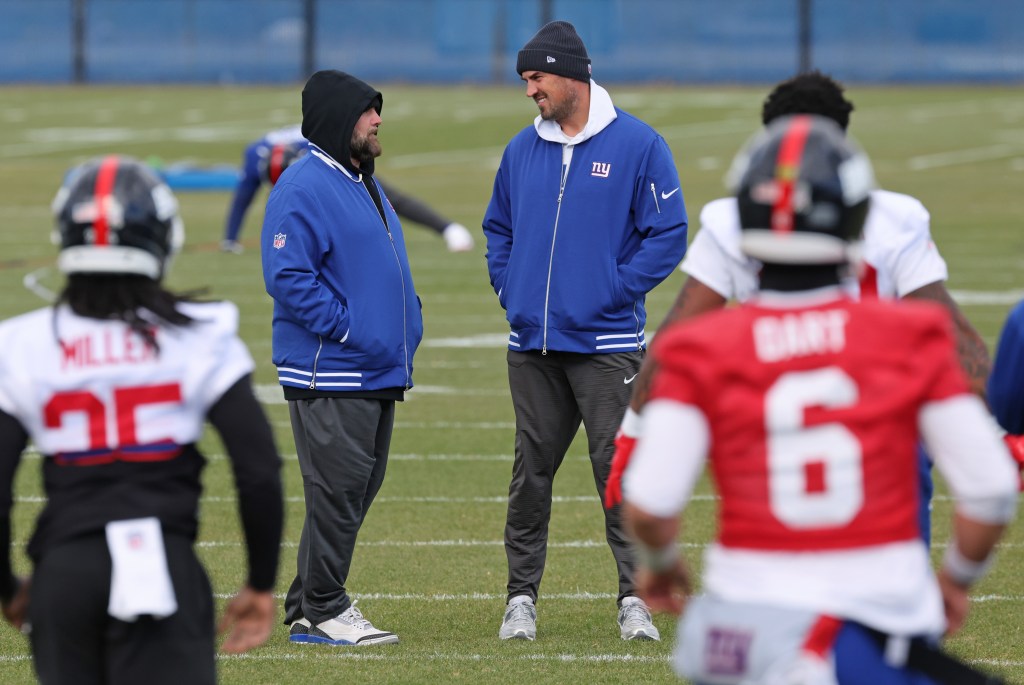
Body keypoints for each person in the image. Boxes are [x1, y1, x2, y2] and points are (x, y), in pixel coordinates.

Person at [622, 114, 1017, 684]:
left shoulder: (697, 347)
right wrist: (954, 580)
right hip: (873, 625)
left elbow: (651, 506)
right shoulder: (911, 336)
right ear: (856, 216)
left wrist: (661, 566)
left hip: (743, 633)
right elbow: (990, 490)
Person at [605, 72, 991, 543]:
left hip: (768, 421)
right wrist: (993, 431)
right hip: (884, 429)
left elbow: (674, 346)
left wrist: (634, 431)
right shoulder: (893, 218)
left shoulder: (731, 222)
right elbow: (960, 345)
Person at [0, 156, 284, 683]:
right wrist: (260, 582)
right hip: (161, 565)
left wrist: (6, 586)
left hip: (65, 574)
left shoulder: (23, 343)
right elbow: (259, 468)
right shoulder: (199, 333)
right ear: (162, 237)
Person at [482, 20, 688, 642]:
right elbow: (499, 230)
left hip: (605, 349)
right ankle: (521, 600)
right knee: (530, 477)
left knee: (617, 474)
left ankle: (635, 601)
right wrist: (511, 288)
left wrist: (612, 290)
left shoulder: (639, 145)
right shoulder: (522, 149)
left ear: (570, 74)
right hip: (532, 348)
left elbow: (667, 232)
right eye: (525, 80)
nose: (529, 92)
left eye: (536, 78)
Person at [262, 70, 422, 647]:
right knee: (339, 490)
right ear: (336, 120)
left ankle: (310, 603)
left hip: (375, 367)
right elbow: (287, 275)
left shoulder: (360, 179)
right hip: (332, 368)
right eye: (366, 112)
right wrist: (350, 327)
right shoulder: (304, 185)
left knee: (354, 489)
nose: (377, 119)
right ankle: (326, 608)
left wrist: (407, 319)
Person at [222, 124, 474, 254]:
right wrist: (230, 239)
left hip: (341, 152)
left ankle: (448, 229)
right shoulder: (254, 158)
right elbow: (241, 200)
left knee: (381, 195)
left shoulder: (318, 147)